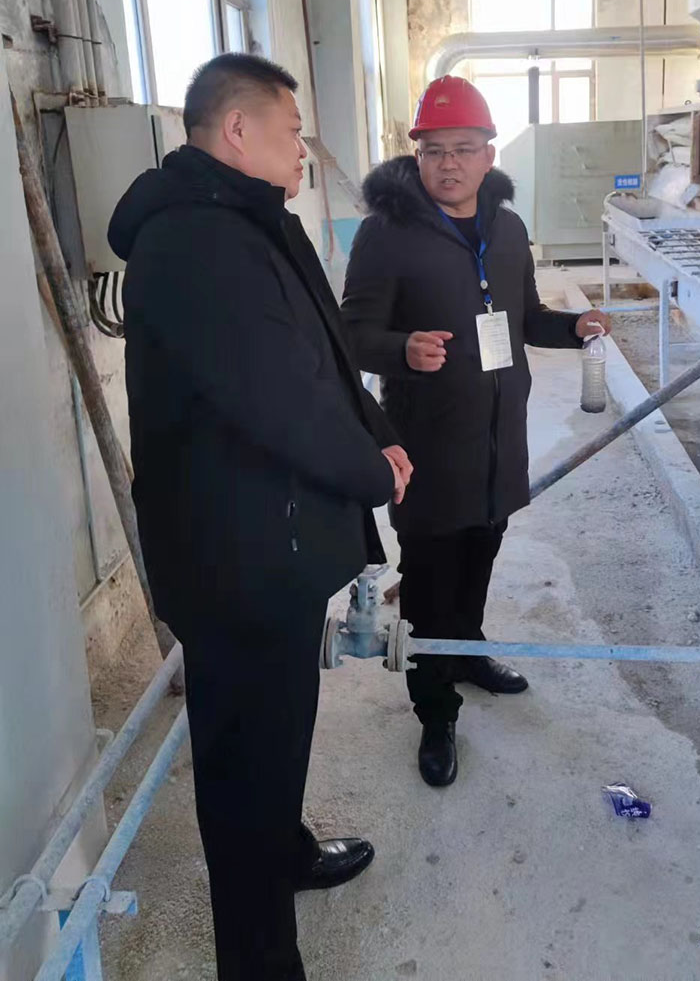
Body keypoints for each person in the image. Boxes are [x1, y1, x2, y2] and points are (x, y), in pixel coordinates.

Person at [108, 53, 412, 981]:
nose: (302, 150)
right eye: (290, 131)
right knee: (243, 765)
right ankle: (258, 960)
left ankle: (285, 851)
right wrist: (367, 469)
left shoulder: (257, 222)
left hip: (273, 541)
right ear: (237, 130)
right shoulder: (193, 244)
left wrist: (379, 436)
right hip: (230, 558)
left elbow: (322, 354)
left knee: (280, 732)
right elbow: (277, 397)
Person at [341, 75, 609, 788]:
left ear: (490, 154)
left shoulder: (508, 229)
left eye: (463, 149)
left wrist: (573, 327)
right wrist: (401, 349)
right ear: (417, 155)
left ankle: (466, 651)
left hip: (497, 441)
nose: (449, 163)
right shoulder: (386, 233)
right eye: (434, 150)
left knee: (481, 554)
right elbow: (351, 335)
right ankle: (435, 712)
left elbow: (524, 319)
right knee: (430, 584)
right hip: (427, 446)